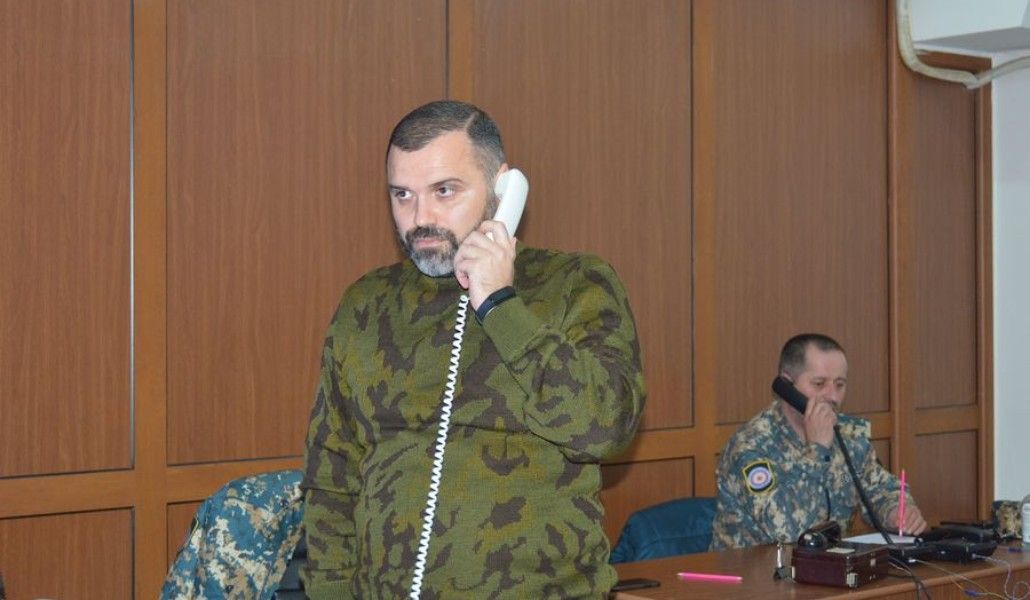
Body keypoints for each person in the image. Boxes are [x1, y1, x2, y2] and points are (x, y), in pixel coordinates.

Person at [301, 100, 646, 599]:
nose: (421, 218)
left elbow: (602, 428)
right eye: (402, 195)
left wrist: (500, 304)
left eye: (444, 191)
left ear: (502, 188)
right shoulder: (366, 305)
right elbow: (332, 476)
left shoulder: (574, 284)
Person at [710, 333, 928, 550]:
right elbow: (787, 531)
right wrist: (817, 450)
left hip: (829, 565)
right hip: (754, 570)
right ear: (786, 385)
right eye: (819, 383)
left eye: (840, 384)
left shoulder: (848, 436)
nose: (832, 396)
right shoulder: (750, 446)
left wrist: (896, 512)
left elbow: (878, 488)